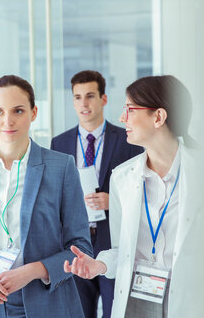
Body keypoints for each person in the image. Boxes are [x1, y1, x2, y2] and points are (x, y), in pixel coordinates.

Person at [0, 75, 93, 318]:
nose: (8, 120)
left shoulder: (61, 167)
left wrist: (31, 271)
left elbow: (80, 248)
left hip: (44, 304)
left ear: (34, 113)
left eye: (18, 110)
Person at [64, 75, 199, 318]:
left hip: (191, 302)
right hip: (138, 305)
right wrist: (99, 265)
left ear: (158, 117)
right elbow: (121, 250)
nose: (121, 117)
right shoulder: (122, 177)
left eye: (130, 109)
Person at [50, 70, 142, 318]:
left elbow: (139, 188)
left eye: (90, 96)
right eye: (77, 97)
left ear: (103, 99)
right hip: (76, 242)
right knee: (79, 311)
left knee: (116, 310)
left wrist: (113, 201)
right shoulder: (59, 143)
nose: (84, 103)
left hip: (112, 240)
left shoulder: (128, 139)